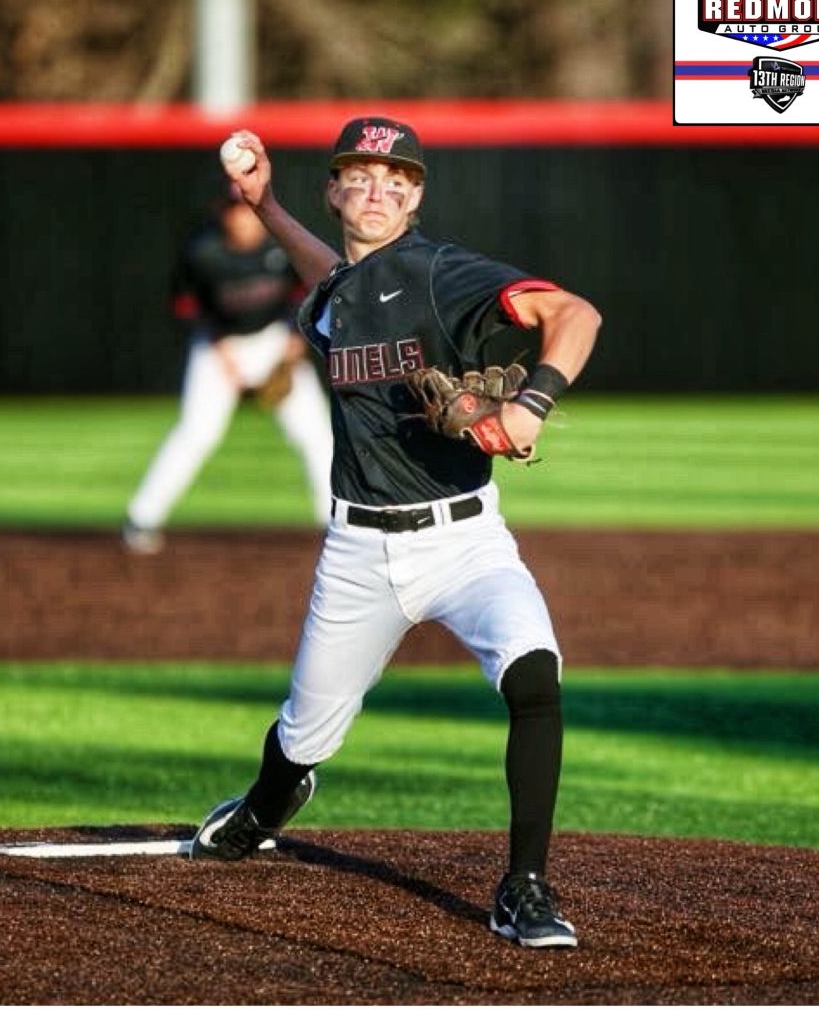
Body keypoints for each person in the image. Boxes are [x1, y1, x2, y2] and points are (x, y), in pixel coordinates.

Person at [187, 118, 601, 950]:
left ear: (414, 199)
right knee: (303, 735)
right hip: (358, 554)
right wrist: (263, 203)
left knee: (535, 674)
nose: (377, 189)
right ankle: (266, 805)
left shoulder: (441, 270)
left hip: (466, 542)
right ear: (334, 191)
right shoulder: (336, 293)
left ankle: (524, 886)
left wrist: (531, 403)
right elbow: (335, 281)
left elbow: (573, 313)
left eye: (396, 180)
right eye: (360, 175)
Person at [122, 185, 334, 553]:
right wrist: (223, 354)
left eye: (249, 209)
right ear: (223, 212)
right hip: (217, 346)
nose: (243, 217)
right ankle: (142, 518)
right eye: (236, 210)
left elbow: (307, 293)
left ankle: (334, 524)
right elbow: (185, 307)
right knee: (196, 433)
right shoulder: (202, 251)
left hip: (274, 340)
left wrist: (295, 339)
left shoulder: (282, 246)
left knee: (316, 433)